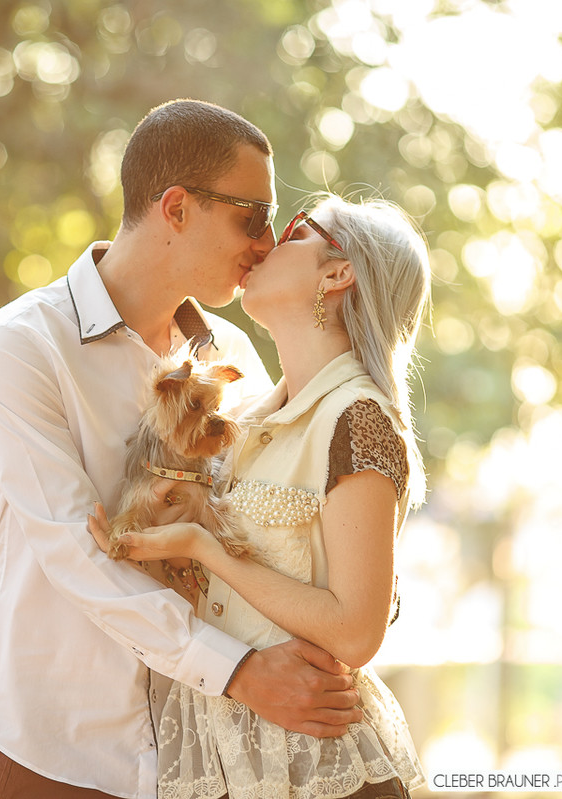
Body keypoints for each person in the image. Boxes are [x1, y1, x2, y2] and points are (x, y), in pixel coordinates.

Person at [0, 99, 365, 799]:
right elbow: (78, 550)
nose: (266, 244)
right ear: (176, 207)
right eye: (253, 217)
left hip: (206, 763)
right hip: (55, 758)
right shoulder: (22, 347)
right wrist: (239, 672)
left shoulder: (233, 356)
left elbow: (270, 527)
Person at [89, 193, 432, 798]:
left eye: (295, 230)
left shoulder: (358, 418)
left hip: (317, 768)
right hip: (217, 762)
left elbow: (356, 633)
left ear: (337, 273)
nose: (266, 242)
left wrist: (204, 546)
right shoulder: (242, 422)